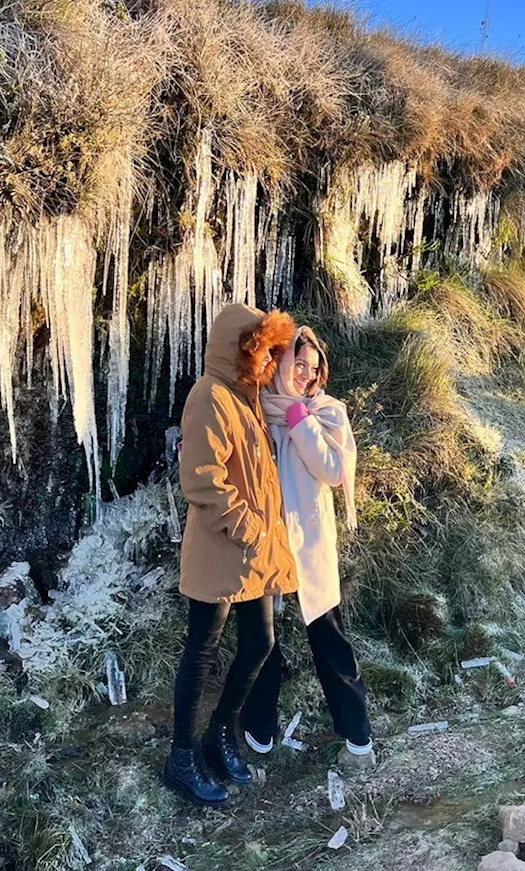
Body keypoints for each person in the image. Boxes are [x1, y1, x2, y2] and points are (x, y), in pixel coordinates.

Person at [163, 303, 300, 806]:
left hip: (256, 552)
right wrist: (247, 528)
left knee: (260, 643)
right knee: (202, 650)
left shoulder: (248, 399)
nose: (268, 361)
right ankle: (181, 755)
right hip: (224, 549)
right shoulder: (210, 396)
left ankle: (221, 732)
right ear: (240, 349)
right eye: (261, 351)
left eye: (270, 352)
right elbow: (201, 477)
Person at [240, 326, 375, 770]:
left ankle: (357, 737)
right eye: (298, 364)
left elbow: (334, 471)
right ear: (280, 364)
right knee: (263, 640)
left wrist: (300, 420)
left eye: (313, 368)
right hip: (266, 540)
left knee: (328, 636)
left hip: (311, 540)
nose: (305, 374)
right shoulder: (258, 408)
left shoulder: (325, 412)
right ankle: (259, 735)